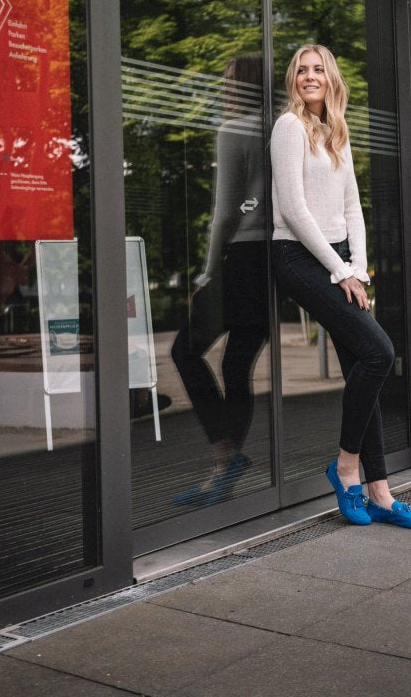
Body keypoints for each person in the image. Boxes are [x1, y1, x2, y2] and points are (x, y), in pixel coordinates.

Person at [271, 44, 411, 529]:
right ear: (293, 79)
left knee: (366, 362)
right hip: (298, 256)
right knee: (380, 352)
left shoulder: (337, 133)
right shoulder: (289, 128)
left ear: (331, 78)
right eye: (302, 70)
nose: (310, 76)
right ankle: (345, 469)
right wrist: (340, 272)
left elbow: (353, 209)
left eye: (318, 69)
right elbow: (295, 211)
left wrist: (357, 266)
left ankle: (380, 492)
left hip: (339, 260)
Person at [171, 55, 268, 505]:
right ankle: (225, 472)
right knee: (235, 367)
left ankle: (225, 456)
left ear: (246, 86)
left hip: (243, 260)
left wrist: (209, 271)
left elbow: (226, 212)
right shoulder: (286, 128)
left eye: (229, 81)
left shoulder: (234, 131)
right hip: (277, 262)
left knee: (184, 350)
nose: (223, 88)